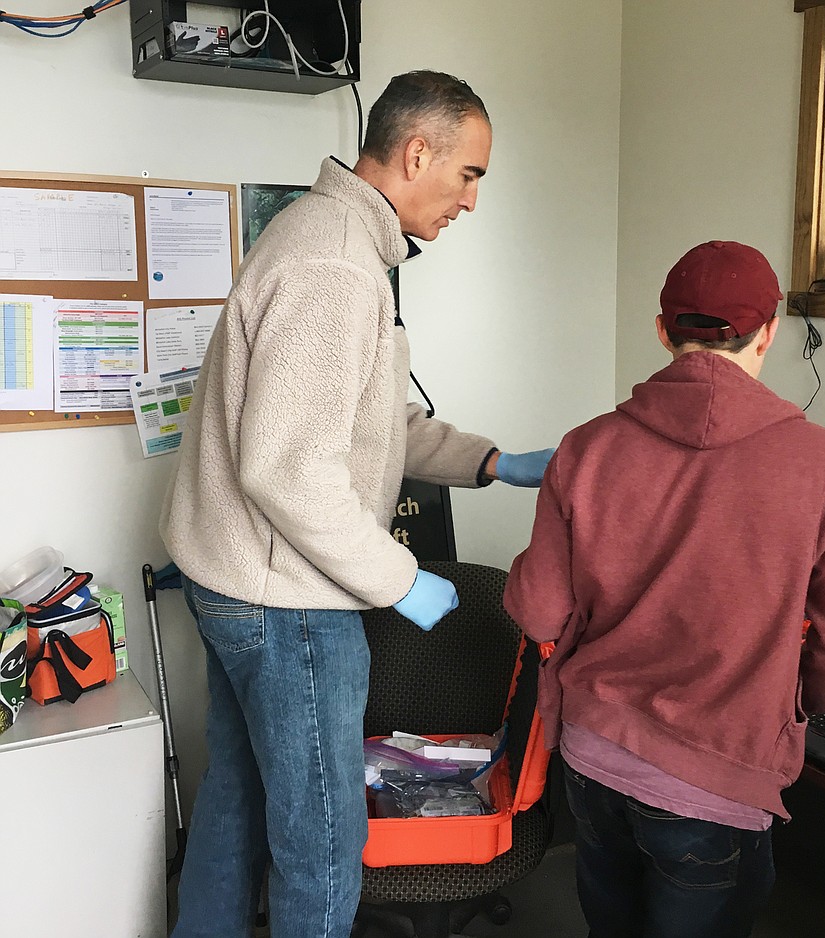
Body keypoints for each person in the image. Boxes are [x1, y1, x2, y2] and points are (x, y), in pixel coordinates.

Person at [159, 70, 553, 938]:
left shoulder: (327, 237)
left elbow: (375, 421)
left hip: (233, 578)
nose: (471, 200)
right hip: (286, 600)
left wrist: (493, 462)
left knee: (238, 796)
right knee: (325, 838)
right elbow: (288, 469)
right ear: (418, 154)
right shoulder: (336, 265)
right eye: (470, 175)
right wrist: (398, 578)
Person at [504, 241, 825, 938]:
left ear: (662, 330)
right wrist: (792, 703)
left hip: (594, 754)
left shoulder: (586, 447)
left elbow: (537, 613)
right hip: (718, 778)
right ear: (769, 333)